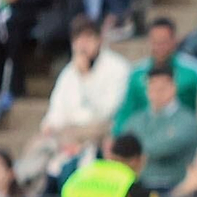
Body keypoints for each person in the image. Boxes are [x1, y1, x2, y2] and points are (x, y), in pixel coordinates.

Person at [21, 15, 129, 183]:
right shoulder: (69, 72)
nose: (83, 44)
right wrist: (50, 125)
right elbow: (56, 109)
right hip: (66, 133)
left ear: (99, 39)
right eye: (78, 38)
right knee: (37, 147)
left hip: (99, 132)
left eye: (88, 38)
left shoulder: (117, 68)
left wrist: (85, 77)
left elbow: (106, 112)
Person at [121, 64, 197, 190]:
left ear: (173, 87)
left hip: (173, 186)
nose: (156, 94)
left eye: (162, 88)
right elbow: (124, 147)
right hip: (139, 185)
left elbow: (163, 148)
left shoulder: (188, 120)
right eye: (152, 88)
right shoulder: (135, 119)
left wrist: (136, 149)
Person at [113, 18, 197, 133]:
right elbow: (126, 111)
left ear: (174, 41)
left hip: (181, 133)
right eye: (155, 42)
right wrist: (116, 136)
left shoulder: (193, 73)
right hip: (143, 132)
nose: (159, 47)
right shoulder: (137, 74)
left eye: (164, 42)